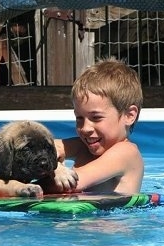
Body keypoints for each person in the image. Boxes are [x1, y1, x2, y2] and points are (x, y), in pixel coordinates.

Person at [55, 57, 144, 196]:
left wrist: (54, 168)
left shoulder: (126, 153)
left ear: (129, 115)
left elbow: (71, 184)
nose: (85, 128)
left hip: (110, 218)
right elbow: (44, 147)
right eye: (79, 118)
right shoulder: (83, 147)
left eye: (96, 118)